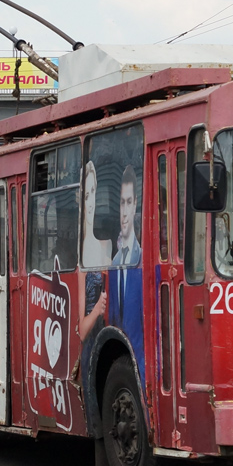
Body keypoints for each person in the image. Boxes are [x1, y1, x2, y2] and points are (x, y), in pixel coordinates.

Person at [110, 165, 144, 383]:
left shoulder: (143, 260)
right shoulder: (113, 263)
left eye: (129, 202)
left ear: (135, 207)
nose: (124, 211)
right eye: (121, 202)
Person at [81, 161, 113, 268]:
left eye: (93, 191)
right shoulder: (76, 249)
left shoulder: (106, 247)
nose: (91, 203)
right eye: (86, 197)